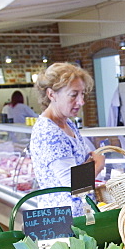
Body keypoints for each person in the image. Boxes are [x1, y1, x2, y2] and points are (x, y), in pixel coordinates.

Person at [29, 63, 105, 215]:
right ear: (51, 94)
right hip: (63, 220)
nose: (81, 101)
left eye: (82, 94)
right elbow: (73, 185)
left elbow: (75, 168)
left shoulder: (67, 122)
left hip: (80, 214)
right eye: (74, 94)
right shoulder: (49, 133)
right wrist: (98, 165)